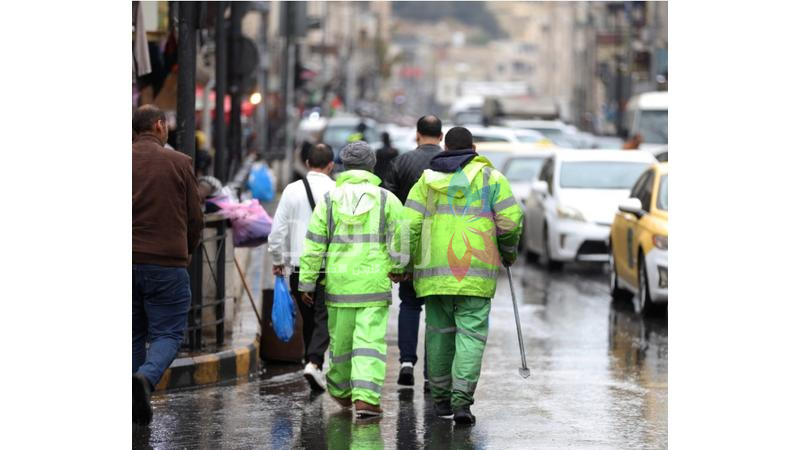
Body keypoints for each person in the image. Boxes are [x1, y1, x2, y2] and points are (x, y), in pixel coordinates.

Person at [403, 127, 523, 425]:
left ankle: (441, 400)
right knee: (471, 337)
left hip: (434, 275)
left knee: (438, 335)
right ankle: (461, 403)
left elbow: (409, 223)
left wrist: (402, 263)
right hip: (475, 274)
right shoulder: (491, 178)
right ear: (474, 148)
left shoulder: (426, 181)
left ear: (445, 148)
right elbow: (511, 221)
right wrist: (507, 252)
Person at [299, 141, 407, 418]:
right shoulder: (386, 200)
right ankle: (366, 399)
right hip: (373, 283)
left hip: (339, 284)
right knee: (369, 342)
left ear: (344, 165)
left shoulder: (329, 200)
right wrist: (399, 268)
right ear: (372, 166)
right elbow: (402, 239)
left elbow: (314, 244)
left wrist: (307, 282)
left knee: (341, 343)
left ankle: (340, 389)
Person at [132, 105, 204, 425]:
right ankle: (145, 378)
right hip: (167, 264)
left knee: (132, 334)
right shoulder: (179, 163)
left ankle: (133, 399)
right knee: (169, 334)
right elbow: (195, 218)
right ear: (160, 126)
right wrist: (186, 250)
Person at [268, 143, 336, 391]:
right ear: (331, 165)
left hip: (299, 266)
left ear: (307, 163)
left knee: (309, 319)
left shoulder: (292, 190)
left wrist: (278, 260)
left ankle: (311, 362)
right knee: (324, 317)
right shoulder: (337, 190)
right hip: (329, 266)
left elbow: (278, 230)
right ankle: (314, 363)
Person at [382, 115, 444, 389]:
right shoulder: (449, 164)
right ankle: (431, 374)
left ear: (417, 134)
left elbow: (389, 204)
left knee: (409, 304)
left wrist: (393, 249)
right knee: (436, 311)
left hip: (409, 242)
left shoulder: (401, 162)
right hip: (440, 246)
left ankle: (406, 362)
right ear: (441, 136)